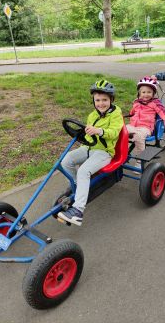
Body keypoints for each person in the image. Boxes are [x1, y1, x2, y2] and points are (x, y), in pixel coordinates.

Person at [58, 79, 123, 226]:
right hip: (88, 147)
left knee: (83, 171)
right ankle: (79, 185)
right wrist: (82, 134)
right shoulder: (93, 115)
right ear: (93, 100)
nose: (101, 103)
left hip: (104, 152)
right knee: (65, 161)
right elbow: (88, 133)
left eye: (105, 100)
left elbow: (114, 133)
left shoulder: (116, 114)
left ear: (111, 100)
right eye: (97, 100)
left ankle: (78, 211)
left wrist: (99, 131)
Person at [126, 76, 165, 168]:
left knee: (138, 136)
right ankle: (121, 154)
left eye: (149, 92)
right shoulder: (136, 102)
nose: (146, 94)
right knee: (119, 131)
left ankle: (140, 160)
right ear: (139, 93)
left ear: (153, 93)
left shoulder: (155, 104)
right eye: (143, 92)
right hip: (133, 125)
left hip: (145, 127)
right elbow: (132, 112)